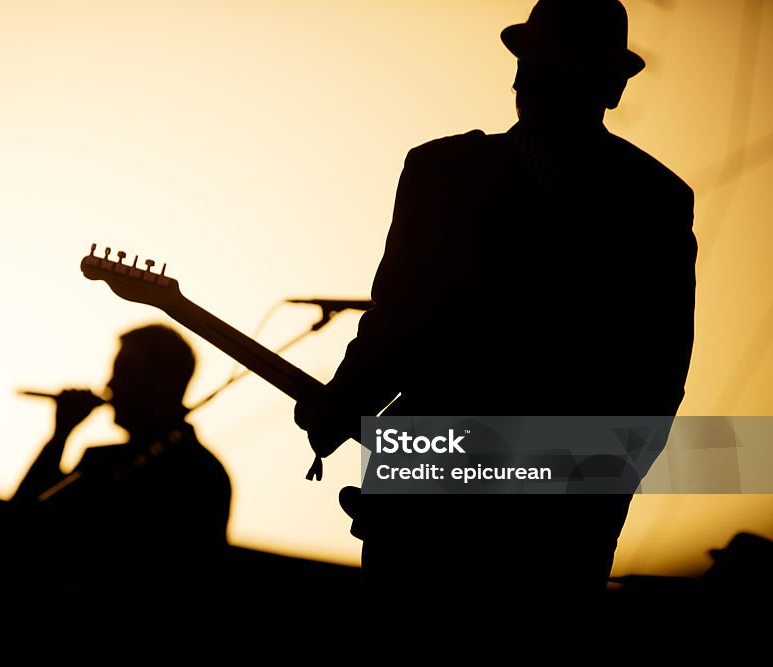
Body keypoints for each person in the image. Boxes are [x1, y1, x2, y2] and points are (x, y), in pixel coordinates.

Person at [295, 0, 696, 608]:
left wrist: (343, 405)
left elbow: (400, 322)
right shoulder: (654, 198)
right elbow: (659, 376)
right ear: (614, 88)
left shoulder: (445, 171)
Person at [14, 324, 232, 588]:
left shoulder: (200, 475)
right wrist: (60, 434)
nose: (110, 384)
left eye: (125, 372)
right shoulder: (99, 460)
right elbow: (21, 521)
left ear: (165, 382)